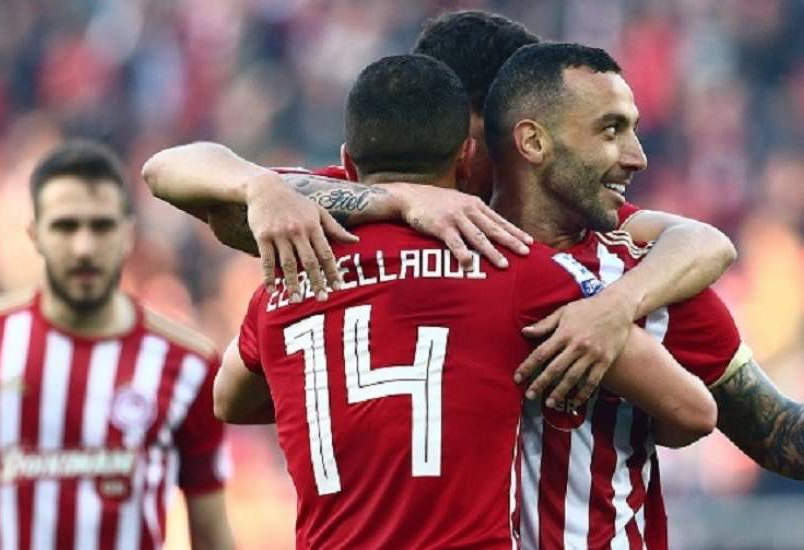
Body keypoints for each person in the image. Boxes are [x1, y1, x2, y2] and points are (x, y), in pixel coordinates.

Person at [146, 11, 804, 548]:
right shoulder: (359, 216)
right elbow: (176, 172)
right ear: (489, 132)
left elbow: (767, 426)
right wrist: (330, 192)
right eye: (610, 131)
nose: (633, 157)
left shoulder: (630, 262)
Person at [214, 53, 716, 549]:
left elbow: (227, 400)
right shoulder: (513, 266)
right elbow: (692, 409)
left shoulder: (285, 283)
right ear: (465, 159)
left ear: (347, 164)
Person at [0, 141, 235, 550]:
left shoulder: (188, 363)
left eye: (101, 227)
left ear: (128, 235)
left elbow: (211, 532)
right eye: (66, 227)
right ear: (35, 235)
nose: (84, 247)